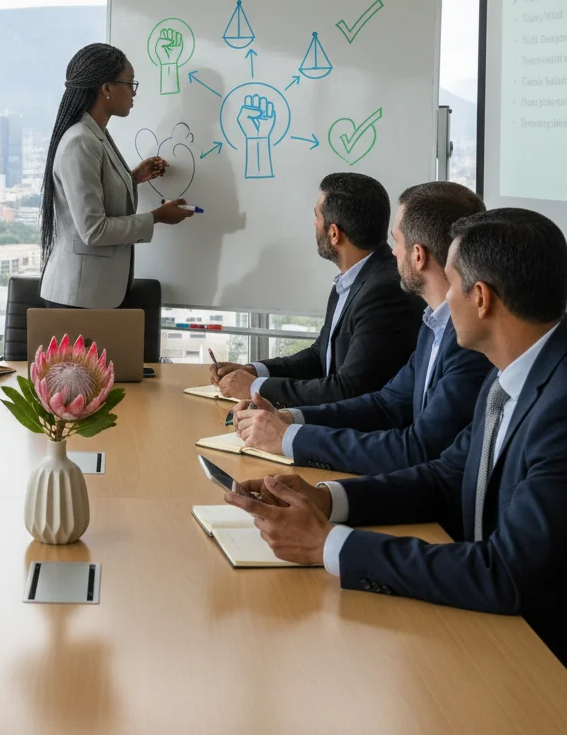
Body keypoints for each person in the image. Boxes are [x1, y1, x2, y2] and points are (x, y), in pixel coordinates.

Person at [223, 208, 567, 664]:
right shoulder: (514, 370)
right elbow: (446, 476)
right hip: (489, 625)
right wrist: (327, 499)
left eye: (452, 279)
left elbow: (505, 572)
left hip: (538, 658)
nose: (443, 300)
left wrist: (326, 544)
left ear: (481, 298)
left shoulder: (558, 407)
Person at [232, 182, 491, 473]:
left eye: (398, 242)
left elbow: (420, 448)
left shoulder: (468, 339)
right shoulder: (435, 323)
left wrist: (288, 437)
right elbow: (387, 403)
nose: (393, 254)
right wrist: (289, 420)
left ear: (418, 255)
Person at [211, 172, 422, 407]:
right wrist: (254, 371)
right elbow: (320, 355)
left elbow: (348, 389)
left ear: (334, 233)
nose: (313, 223)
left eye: (316, 216)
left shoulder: (384, 292)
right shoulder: (353, 279)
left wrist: (253, 388)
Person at [39, 43, 194, 312]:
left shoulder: (95, 134)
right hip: (77, 297)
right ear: (106, 88)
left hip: (93, 294)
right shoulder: (80, 141)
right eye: (129, 83)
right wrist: (156, 217)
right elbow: (93, 230)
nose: (134, 93)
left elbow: (94, 192)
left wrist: (132, 177)